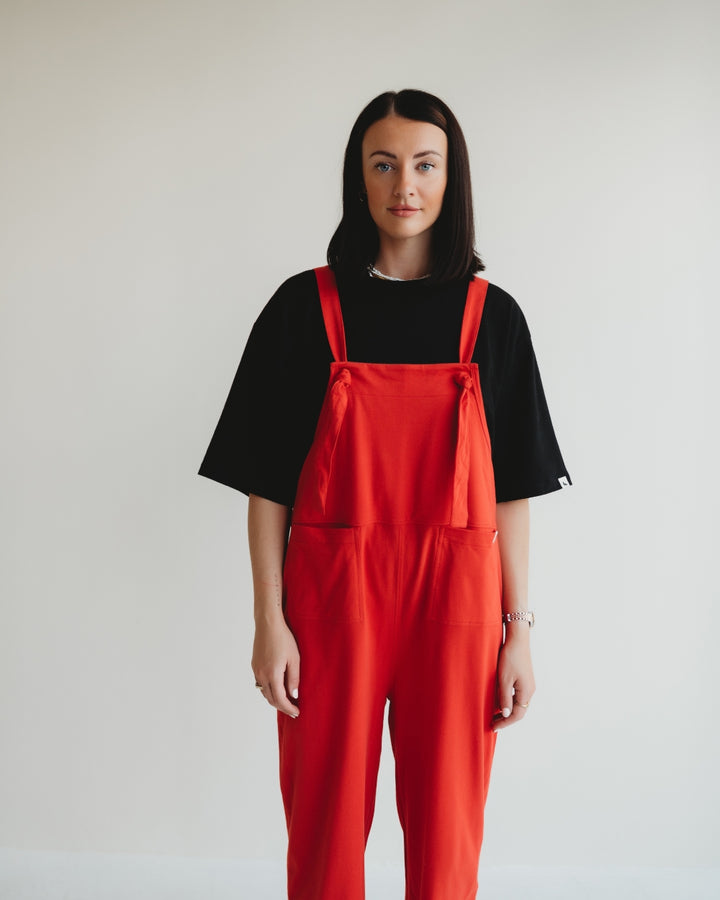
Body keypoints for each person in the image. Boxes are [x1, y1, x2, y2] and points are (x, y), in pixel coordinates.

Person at [198, 89, 571, 900]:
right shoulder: (306, 309)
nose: (405, 183)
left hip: (460, 609)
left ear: (451, 180)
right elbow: (268, 487)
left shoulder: (492, 318)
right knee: (324, 833)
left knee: (446, 843)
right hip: (332, 607)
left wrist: (519, 631)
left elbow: (513, 493)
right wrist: (270, 621)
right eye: (384, 163)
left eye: (425, 164)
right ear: (358, 180)